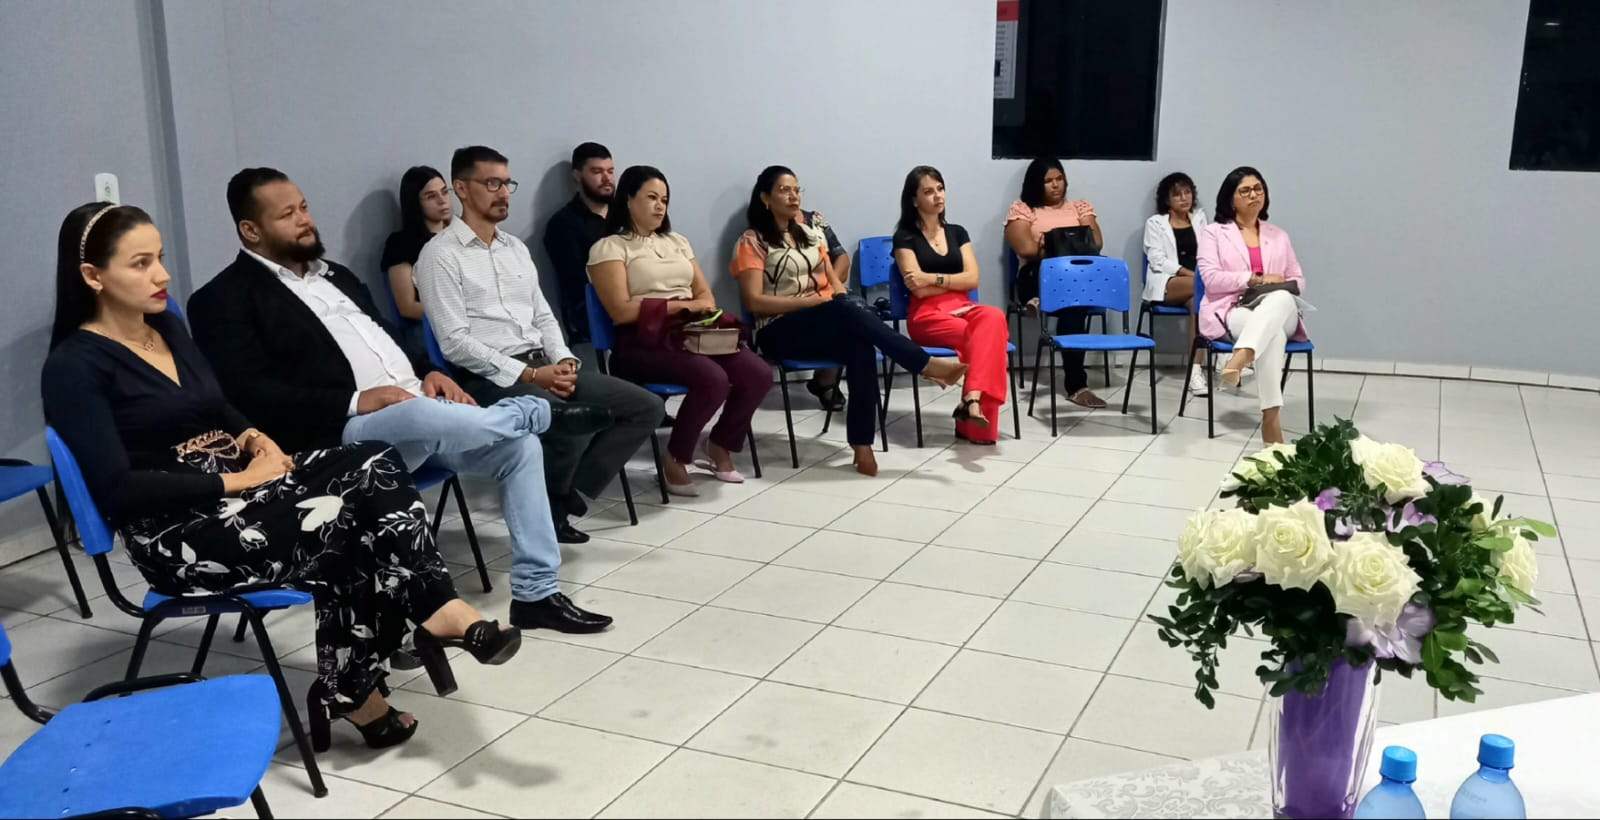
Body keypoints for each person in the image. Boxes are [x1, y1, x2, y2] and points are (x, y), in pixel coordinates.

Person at [42, 202, 521, 751]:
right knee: (346, 521)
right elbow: (118, 490)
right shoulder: (74, 367)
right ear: (92, 276)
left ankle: (423, 623)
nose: (162, 275)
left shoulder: (166, 328)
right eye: (141, 263)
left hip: (244, 488)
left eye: (161, 257)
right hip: (179, 533)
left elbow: (217, 404)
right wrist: (240, 481)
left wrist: (253, 437)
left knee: (373, 460)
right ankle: (381, 667)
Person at [188, 168, 614, 635]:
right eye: (287, 214)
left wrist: (429, 370)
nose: (305, 220)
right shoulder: (222, 298)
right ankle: (538, 414)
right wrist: (356, 400)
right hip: (341, 434)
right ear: (251, 230)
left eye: (304, 207)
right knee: (423, 413)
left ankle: (536, 593)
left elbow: (388, 339)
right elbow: (250, 394)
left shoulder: (337, 276)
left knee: (520, 448)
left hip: (418, 413)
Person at [415, 146, 662, 535]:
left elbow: (544, 316)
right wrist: (530, 375)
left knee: (646, 407)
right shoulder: (440, 255)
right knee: (570, 422)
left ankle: (567, 491)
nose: (503, 193)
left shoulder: (515, 248)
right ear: (461, 189)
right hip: (489, 377)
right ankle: (551, 511)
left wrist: (564, 361)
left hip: (543, 364)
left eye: (507, 183)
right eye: (491, 183)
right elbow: (455, 343)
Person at [733, 166, 967, 475]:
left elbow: (834, 281)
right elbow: (754, 301)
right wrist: (812, 302)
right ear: (765, 198)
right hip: (778, 328)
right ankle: (922, 363)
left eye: (797, 190)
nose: (793, 197)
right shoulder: (753, 240)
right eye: (784, 190)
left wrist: (838, 301)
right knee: (845, 312)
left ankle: (862, 444)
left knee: (860, 345)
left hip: (818, 319)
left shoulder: (810, 233)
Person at [588, 165, 772, 495]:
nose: (660, 206)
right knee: (712, 378)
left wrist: (690, 308)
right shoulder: (610, 247)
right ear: (628, 199)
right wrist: (680, 306)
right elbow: (621, 311)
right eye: (651, 198)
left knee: (757, 373)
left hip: (689, 332)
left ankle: (719, 444)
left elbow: (706, 297)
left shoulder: (677, 242)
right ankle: (676, 456)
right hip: (641, 339)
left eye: (665, 199)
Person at [893, 166, 1013, 444]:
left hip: (964, 307)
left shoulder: (958, 232)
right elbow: (918, 289)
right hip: (927, 315)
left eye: (940, 189)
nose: (938, 196)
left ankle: (971, 398)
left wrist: (932, 278)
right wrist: (950, 281)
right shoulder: (905, 237)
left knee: (994, 317)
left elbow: (973, 279)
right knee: (986, 339)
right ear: (914, 200)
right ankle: (975, 421)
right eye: (928, 191)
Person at [1197, 166, 1309, 445]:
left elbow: (1298, 280)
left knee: (1282, 297)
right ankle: (1271, 419)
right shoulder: (1214, 233)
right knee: (1273, 336)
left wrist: (1276, 285)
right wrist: (1254, 279)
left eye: (1258, 189)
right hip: (1234, 308)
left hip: (1280, 310)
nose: (1253, 195)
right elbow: (1211, 279)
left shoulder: (1279, 235)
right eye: (1245, 190)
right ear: (1230, 198)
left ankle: (1242, 354)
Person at [1002, 157, 1107, 409]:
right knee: (1069, 293)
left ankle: (1077, 386)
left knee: (1074, 303)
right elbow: (1026, 249)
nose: (1056, 185)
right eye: (1048, 181)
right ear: (1035, 184)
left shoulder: (1079, 208)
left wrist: (1049, 244)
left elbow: (1095, 244)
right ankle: (1077, 386)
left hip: (1076, 280)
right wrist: (1069, 245)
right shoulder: (1024, 210)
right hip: (1036, 274)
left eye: (1059, 179)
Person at [1142, 171, 1212, 397]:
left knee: (1198, 305)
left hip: (1196, 285)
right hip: (1167, 282)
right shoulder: (1155, 223)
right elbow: (1157, 260)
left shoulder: (1200, 219)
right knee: (1208, 288)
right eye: (1177, 194)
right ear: (1167, 200)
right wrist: (1189, 274)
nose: (1184, 198)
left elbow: (1209, 253)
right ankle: (1225, 354)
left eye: (1187, 192)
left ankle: (1194, 371)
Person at [541, 142, 613, 344]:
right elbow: (576, 284)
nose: (607, 178)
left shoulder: (626, 214)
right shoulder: (564, 223)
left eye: (610, 171)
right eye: (597, 172)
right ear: (577, 175)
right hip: (595, 308)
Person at [381, 166, 453, 325]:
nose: (442, 200)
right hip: (430, 326)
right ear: (415, 203)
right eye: (431, 196)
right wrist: (458, 314)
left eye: (445, 192)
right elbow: (408, 307)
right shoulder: (401, 243)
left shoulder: (460, 234)